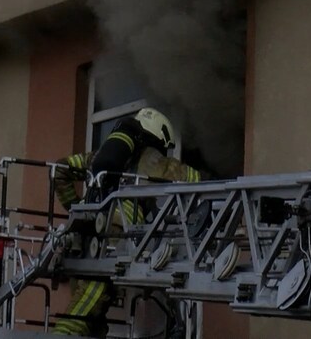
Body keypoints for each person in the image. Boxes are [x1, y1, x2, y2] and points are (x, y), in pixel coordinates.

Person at [52, 107, 202, 337]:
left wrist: (77, 210)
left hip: (85, 232)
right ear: (159, 136)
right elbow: (194, 180)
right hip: (117, 235)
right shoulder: (156, 161)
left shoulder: (100, 156)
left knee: (93, 316)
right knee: (85, 306)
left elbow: (60, 171)